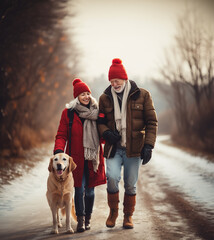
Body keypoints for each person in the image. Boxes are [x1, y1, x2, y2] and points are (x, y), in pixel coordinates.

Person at [97, 58, 158, 229]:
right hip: (113, 149)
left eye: (116, 80)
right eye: (111, 81)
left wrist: (149, 145)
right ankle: (113, 212)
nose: (114, 84)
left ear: (124, 78)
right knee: (112, 178)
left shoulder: (143, 95)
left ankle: (128, 216)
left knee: (130, 184)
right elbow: (100, 122)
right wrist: (106, 133)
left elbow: (152, 122)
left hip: (134, 149)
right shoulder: (105, 98)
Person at [54, 78, 106, 232]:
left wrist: (108, 132)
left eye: (88, 93)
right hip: (75, 159)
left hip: (92, 159)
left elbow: (102, 137)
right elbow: (61, 135)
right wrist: (58, 150)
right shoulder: (68, 114)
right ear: (77, 97)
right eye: (82, 94)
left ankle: (88, 218)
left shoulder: (97, 113)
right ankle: (81, 221)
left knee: (89, 191)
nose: (86, 96)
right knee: (78, 189)